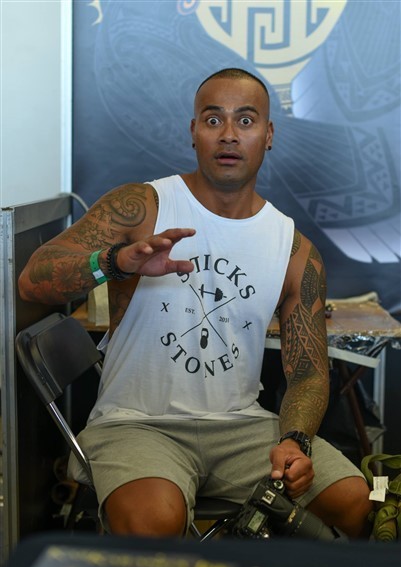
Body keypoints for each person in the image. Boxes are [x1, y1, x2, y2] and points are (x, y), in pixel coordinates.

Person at [19, 68, 373, 539]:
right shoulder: (144, 206)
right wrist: (115, 262)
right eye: (213, 119)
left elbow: (308, 371)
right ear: (193, 131)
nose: (228, 135)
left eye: (245, 120)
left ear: (268, 135)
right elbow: (33, 280)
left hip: (243, 429)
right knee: (154, 521)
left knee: (356, 500)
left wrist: (295, 440)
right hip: (137, 424)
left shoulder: (294, 250)